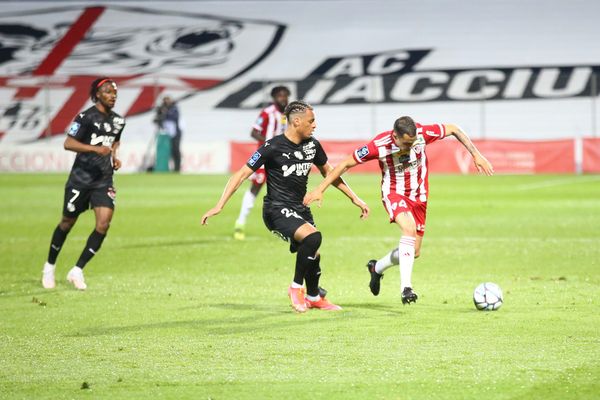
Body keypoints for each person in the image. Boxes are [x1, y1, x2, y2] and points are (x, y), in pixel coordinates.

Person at [304, 116, 493, 304]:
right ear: (395, 136)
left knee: (414, 251)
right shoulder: (379, 145)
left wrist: (476, 154)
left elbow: (453, 128)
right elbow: (345, 163)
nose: (410, 147)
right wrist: (320, 189)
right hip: (394, 193)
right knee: (408, 229)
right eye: (406, 143)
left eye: (412, 143)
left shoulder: (421, 134)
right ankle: (406, 288)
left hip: (419, 196)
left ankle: (376, 268)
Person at [202, 101, 369, 313]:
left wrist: (354, 198)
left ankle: (314, 296)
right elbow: (241, 174)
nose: (315, 125)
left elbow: (330, 172)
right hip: (275, 209)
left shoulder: (312, 145)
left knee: (312, 253)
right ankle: (295, 288)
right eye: (311, 121)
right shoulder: (272, 147)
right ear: (296, 121)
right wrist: (219, 205)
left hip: (300, 208)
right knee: (313, 237)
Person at [41, 77, 126, 290]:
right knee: (67, 222)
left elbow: (115, 140)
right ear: (97, 94)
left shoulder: (118, 120)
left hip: (103, 179)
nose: (112, 95)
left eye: (115, 92)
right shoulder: (85, 117)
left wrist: (114, 156)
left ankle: (77, 270)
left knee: (104, 223)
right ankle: (49, 266)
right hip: (80, 179)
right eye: (108, 91)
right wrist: (96, 150)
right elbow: (68, 143)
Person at [233, 86, 290, 240]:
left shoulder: (289, 114)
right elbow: (254, 131)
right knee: (256, 186)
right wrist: (270, 144)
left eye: (285, 96)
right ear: (274, 97)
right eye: (279, 96)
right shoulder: (267, 113)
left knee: (283, 193)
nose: (283, 98)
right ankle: (240, 223)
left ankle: (282, 228)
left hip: (281, 159)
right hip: (264, 157)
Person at [154, 96, 182, 172]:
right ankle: (166, 167)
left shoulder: (174, 108)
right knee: (167, 151)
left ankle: (177, 168)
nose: (166, 102)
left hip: (175, 133)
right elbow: (157, 119)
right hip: (165, 133)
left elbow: (174, 117)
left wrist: (165, 112)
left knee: (175, 150)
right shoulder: (162, 109)